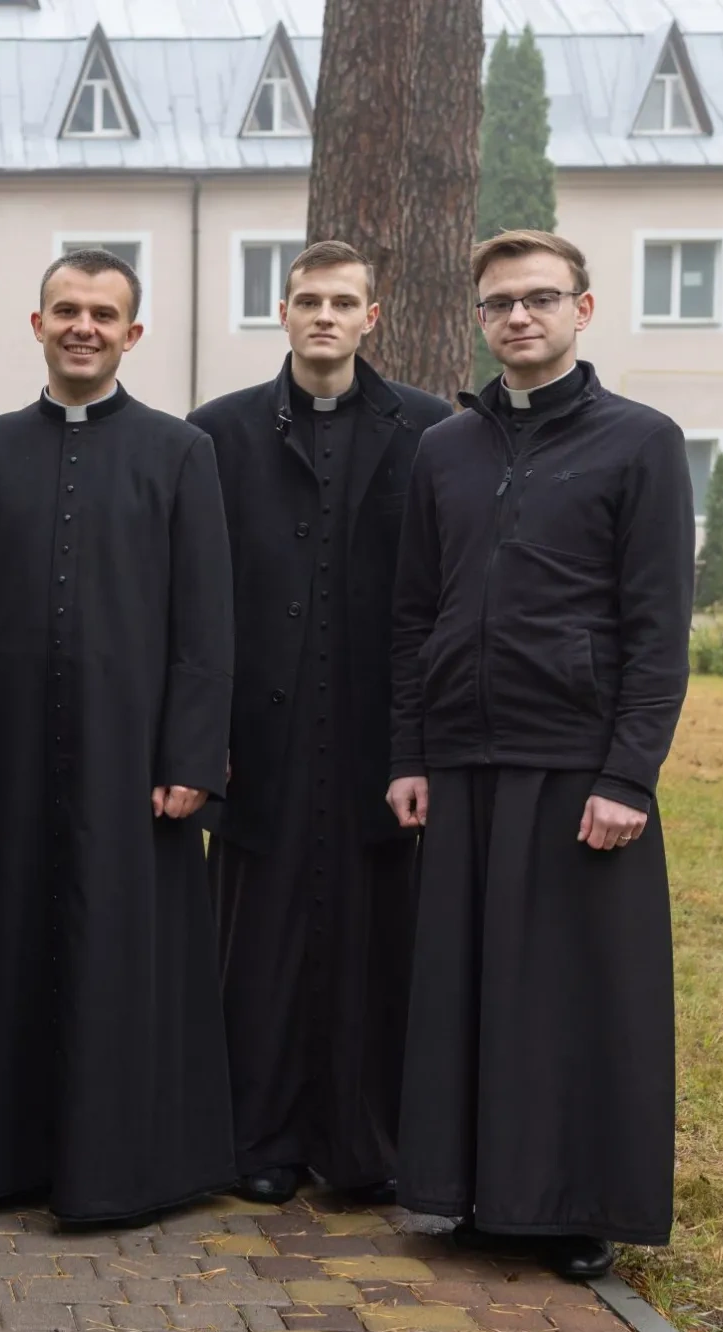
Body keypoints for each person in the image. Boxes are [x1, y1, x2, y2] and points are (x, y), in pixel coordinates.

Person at [389, 229, 691, 1280]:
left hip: (576, 766)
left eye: (539, 299)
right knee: (470, 991)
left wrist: (626, 775)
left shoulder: (639, 442)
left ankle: (574, 1206)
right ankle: (474, 1192)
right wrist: (408, 753)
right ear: (479, 317)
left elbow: (658, 628)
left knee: (572, 999)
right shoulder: (445, 449)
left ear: (582, 310)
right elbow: (412, 614)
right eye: (499, 303)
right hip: (461, 759)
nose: (518, 317)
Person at [0, 249, 235, 1226]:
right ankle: (2, 1162)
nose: (82, 326)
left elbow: (205, 618)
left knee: (125, 957)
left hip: (134, 762)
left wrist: (192, 755)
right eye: (65, 309)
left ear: (131, 334)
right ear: (36, 323)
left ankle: (126, 1169)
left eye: (103, 314)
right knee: (8, 950)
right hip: (9, 757)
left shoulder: (178, 451)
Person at [186, 241, 452, 1206]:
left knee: (379, 936)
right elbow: (196, 598)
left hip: (384, 731)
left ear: (372, 317)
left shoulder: (431, 431)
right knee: (257, 943)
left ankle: (366, 1147)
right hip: (261, 736)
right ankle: (258, 1140)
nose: (326, 316)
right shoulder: (216, 433)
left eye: (344, 301)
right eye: (309, 300)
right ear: (284, 312)